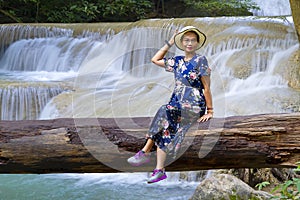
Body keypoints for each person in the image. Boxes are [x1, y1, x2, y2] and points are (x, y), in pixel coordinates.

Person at [127, 26, 213, 184]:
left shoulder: (201, 60)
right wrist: (170, 42)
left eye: (193, 40)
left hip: (194, 105)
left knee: (165, 110)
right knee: (165, 127)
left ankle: (145, 151)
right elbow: (155, 60)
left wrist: (210, 110)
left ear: (197, 43)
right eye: (186, 40)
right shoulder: (177, 61)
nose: (189, 43)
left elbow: (206, 87)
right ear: (182, 42)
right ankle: (159, 170)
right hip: (176, 104)